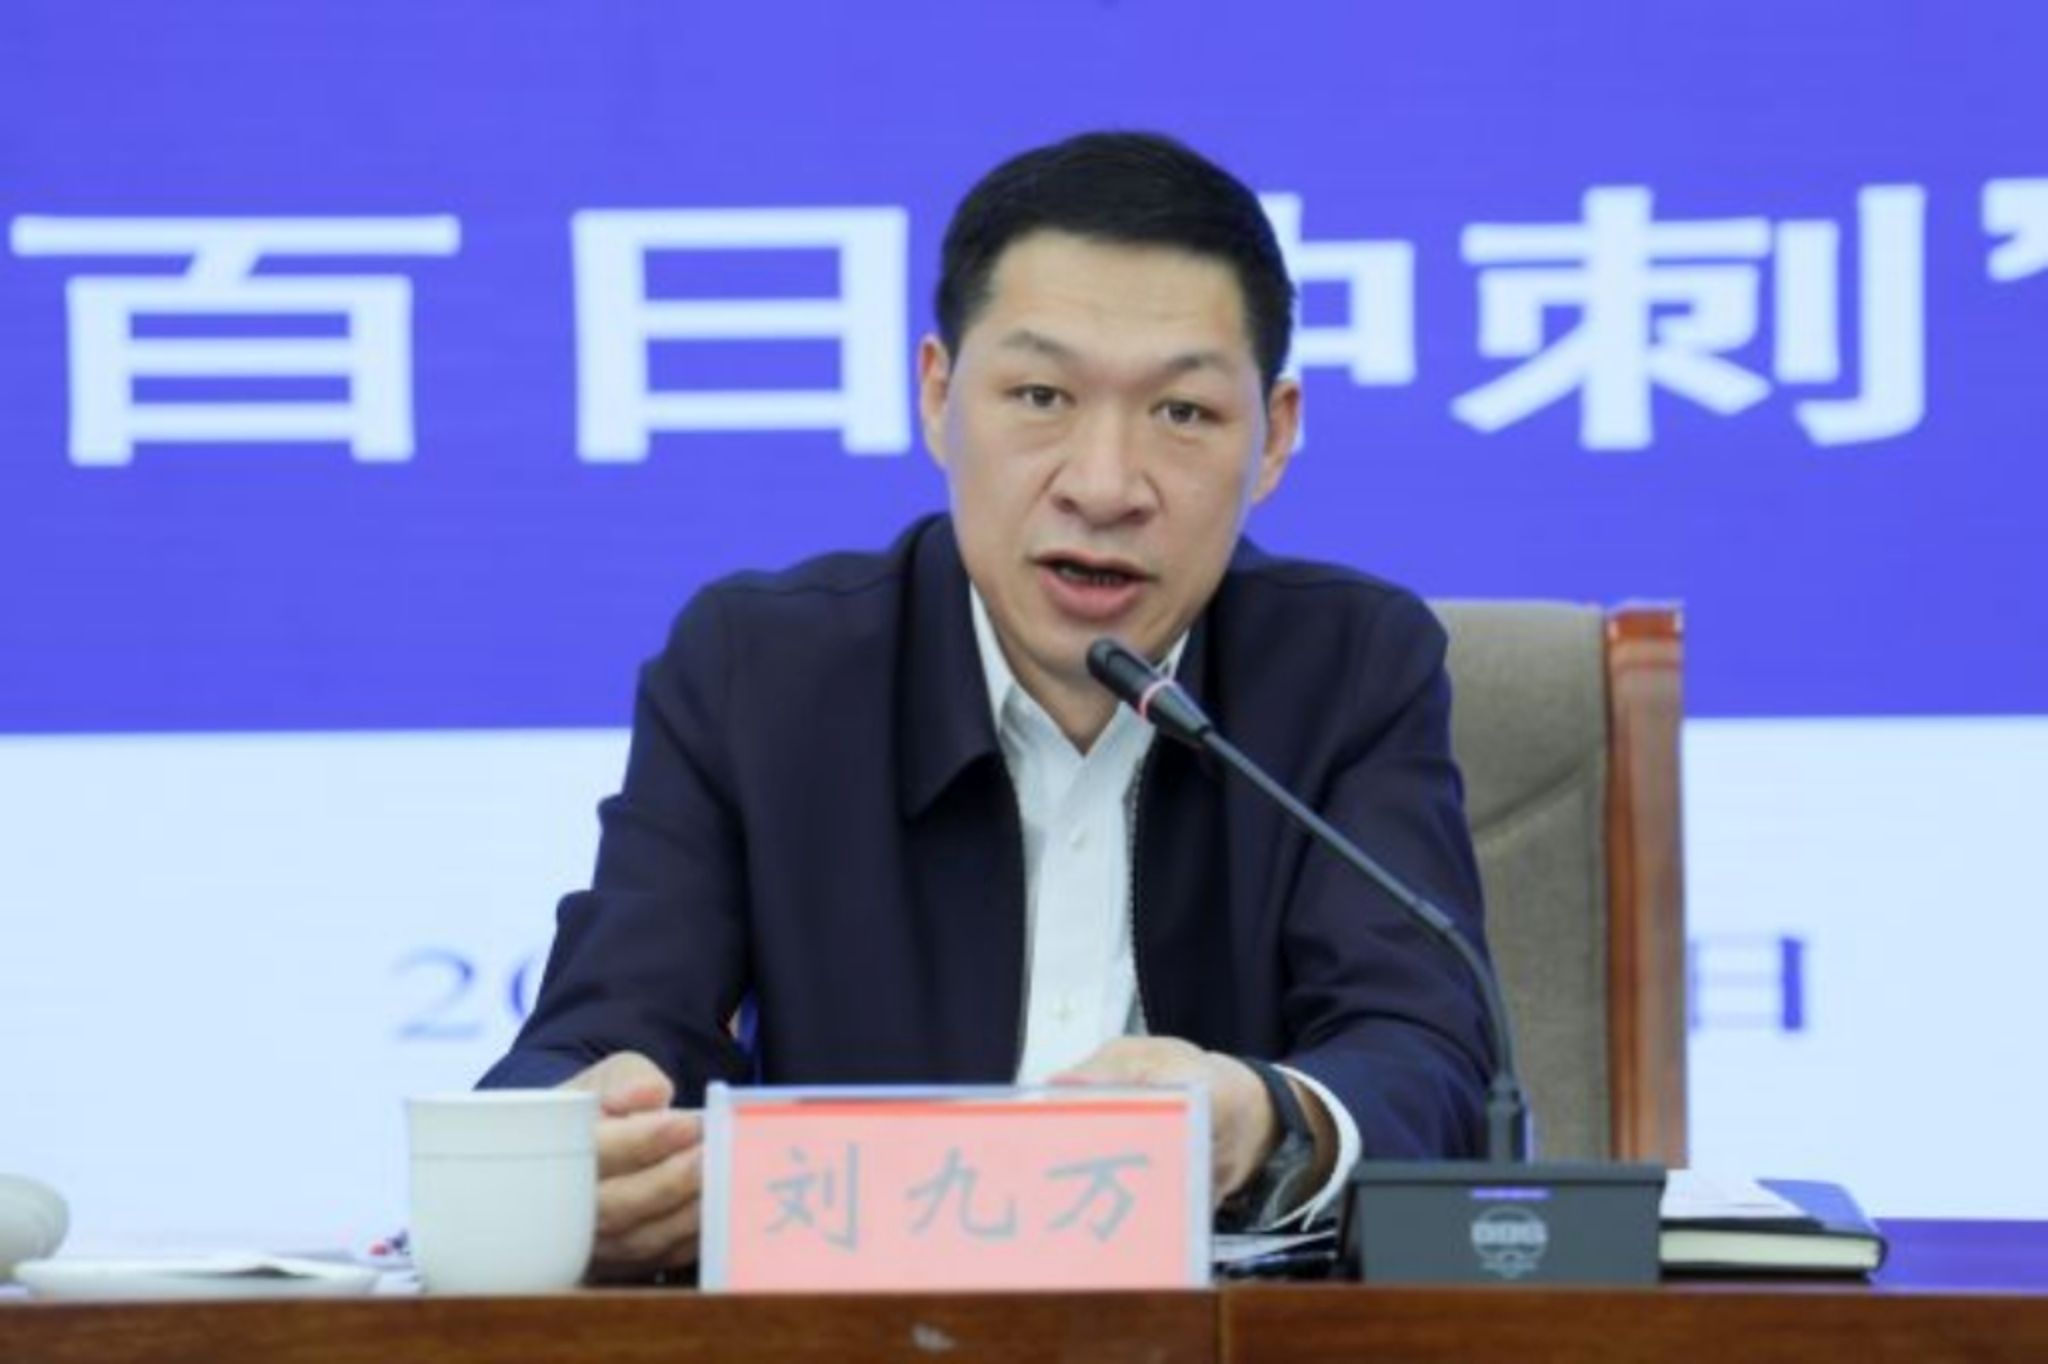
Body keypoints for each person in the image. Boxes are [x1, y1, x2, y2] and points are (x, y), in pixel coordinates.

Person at [481, 130, 1494, 1278]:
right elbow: (606, 1026)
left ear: (1274, 438)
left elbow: (1424, 1054)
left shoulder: (1350, 664)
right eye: (1039, 395)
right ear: (936, 396)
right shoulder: (759, 673)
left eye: (1181, 413)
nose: (1103, 485)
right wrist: (578, 1139)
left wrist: (1261, 1118)